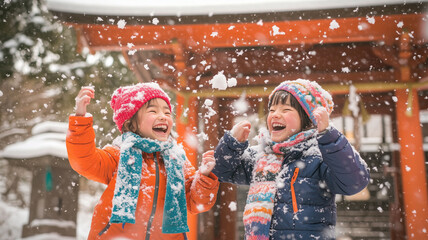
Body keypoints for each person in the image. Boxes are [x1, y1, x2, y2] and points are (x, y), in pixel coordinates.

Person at [212, 79, 370, 240]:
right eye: (272, 110)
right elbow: (222, 171)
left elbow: (354, 182)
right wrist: (232, 144)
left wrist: (329, 137)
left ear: (308, 119)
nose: (275, 114)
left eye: (286, 109)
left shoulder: (319, 156)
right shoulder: (261, 156)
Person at [66, 82, 219, 240]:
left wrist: (205, 176)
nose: (163, 116)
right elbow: (84, 161)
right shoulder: (118, 155)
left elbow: (197, 202)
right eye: (153, 111)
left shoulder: (177, 160)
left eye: (167, 113)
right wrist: (80, 119)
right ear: (130, 123)